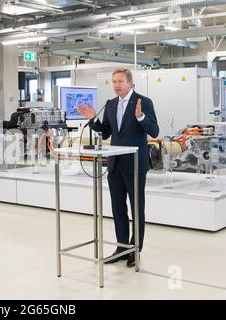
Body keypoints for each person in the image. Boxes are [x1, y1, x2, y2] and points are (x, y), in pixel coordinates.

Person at [78, 68, 159, 267]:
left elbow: (155, 130)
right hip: (114, 165)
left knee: (136, 209)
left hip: (135, 164)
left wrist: (141, 117)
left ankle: (135, 249)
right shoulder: (111, 104)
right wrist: (92, 120)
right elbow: (105, 132)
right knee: (118, 208)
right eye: (114, 81)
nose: (116, 85)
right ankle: (122, 247)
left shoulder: (143, 102)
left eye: (120, 81)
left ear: (130, 83)